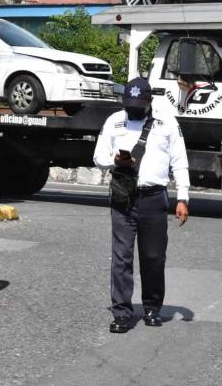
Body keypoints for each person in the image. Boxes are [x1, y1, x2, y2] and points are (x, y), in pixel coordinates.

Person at [93, 77, 189, 334]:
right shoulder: (114, 121)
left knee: (154, 257)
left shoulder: (167, 122)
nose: (133, 108)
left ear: (150, 102)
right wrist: (114, 159)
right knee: (121, 258)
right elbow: (98, 156)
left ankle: (151, 308)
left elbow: (179, 160)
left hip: (154, 198)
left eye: (138, 103)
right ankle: (122, 313)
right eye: (129, 103)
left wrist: (183, 197)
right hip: (123, 197)